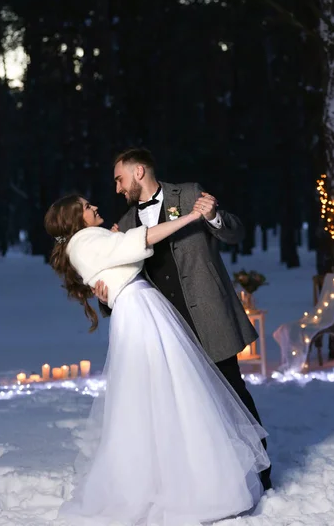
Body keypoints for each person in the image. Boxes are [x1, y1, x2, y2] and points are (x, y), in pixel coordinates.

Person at [44, 194, 270, 526]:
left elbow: (122, 257)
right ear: (75, 219)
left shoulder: (90, 239)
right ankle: (187, 484)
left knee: (167, 393)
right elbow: (144, 240)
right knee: (170, 392)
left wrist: (117, 239)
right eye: (87, 206)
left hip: (142, 309)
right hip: (140, 313)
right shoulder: (86, 240)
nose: (94, 206)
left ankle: (178, 478)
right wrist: (190, 218)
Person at [95, 148, 272, 491]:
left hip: (209, 316)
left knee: (234, 395)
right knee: (190, 408)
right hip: (166, 332)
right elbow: (125, 281)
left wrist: (214, 216)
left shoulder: (190, 194)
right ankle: (213, 480)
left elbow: (235, 232)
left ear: (139, 172)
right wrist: (106, 300)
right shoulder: (128, 224)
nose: (117, 188)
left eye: (120, 179)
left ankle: (261, 472)